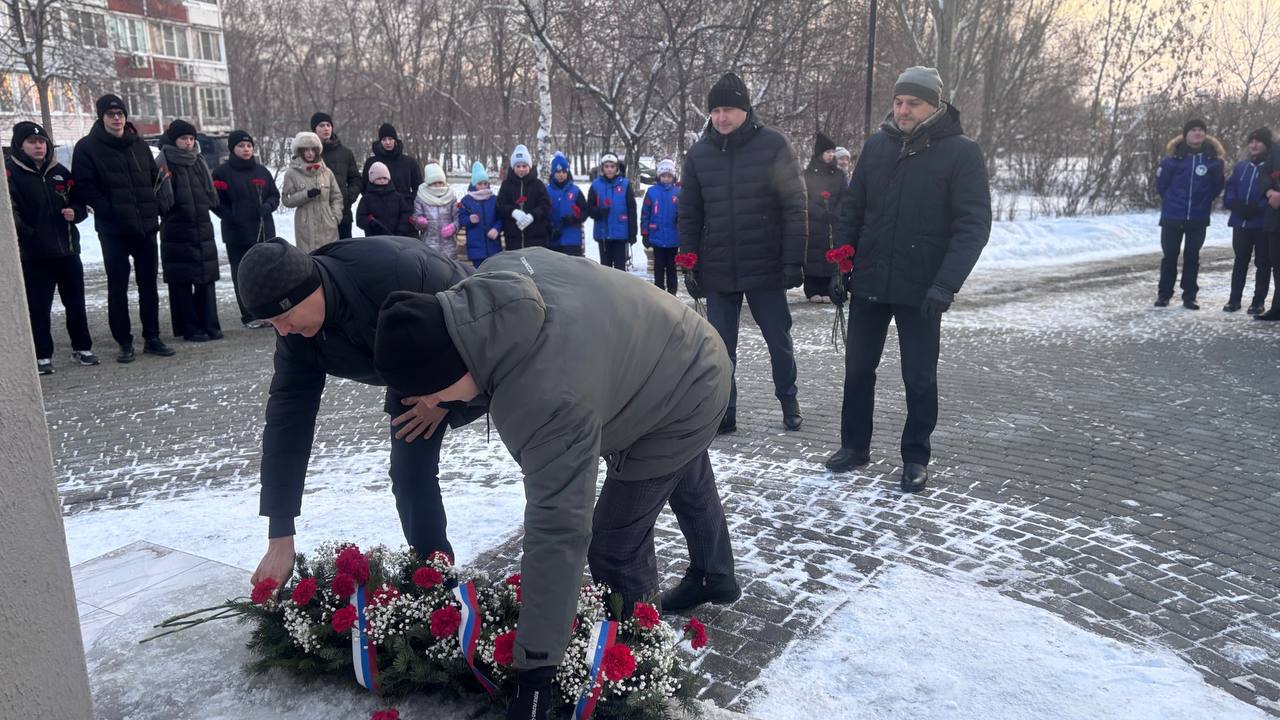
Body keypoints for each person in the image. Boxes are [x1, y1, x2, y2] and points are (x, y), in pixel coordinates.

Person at [372, 248, 740, 720]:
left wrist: (535, 673)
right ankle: (715, 574)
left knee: (615, 543)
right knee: (680, 468)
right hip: (670, 346)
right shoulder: (492, 285)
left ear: (450, 371)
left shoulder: (546, 397)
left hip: (686, 384)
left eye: (431, 395)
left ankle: (641, 674)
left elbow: (558, 529)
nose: (432, 406)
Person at [240, 236, 480, 590]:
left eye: (285, 317)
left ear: (309, 289)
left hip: (473, 344)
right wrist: (280, 533)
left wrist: (443, 400)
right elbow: (287, 423)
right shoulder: (296, 338)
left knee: (529, 442)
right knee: (409, 472)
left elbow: (479, 324)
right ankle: (435, 579)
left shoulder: (395, 271)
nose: (283, 331)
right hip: (405, 366)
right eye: (271, 323)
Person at [824, 66, 991, 492]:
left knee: (919, 376)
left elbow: (973, 227)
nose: (903, 110)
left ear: (934, 105)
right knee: (858, 369)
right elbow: (853, 211)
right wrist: (842, 264)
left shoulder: (961, 153)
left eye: (913, 103)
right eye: (898, 102)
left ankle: (916, 456)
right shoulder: (877, 146)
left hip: (923, 288)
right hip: (870, 281)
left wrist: (945, 284)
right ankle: (854, 446)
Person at [678, 72, 807, 434]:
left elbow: (795, 205)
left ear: (746, 110)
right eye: (716, 110)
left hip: (765, 265)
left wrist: (793, 260)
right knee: (720, 349)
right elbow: (689, 214)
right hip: (718, 267)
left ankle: (789, 401)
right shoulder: (699, 154)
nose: (722, 117)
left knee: (778, 340)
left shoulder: (773, 146)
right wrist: (688, 262)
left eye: (729, 110)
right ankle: (725, 411)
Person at [71, 94, 175, 363]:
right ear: (101, 117)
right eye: (111, 114)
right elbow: (84, 186)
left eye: (120, 113)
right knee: (117, 287)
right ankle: (124, 341)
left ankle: (152, 337)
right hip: (114, 230)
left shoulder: (137, 144)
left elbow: (153, 178)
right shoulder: (87, 147)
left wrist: (155, 205)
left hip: (145, 228)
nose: (116, 118)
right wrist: (108, 209)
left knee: (148, 286)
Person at [7, 121, 95, 374]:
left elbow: (79, 202)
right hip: (35, 255)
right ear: (20, 145)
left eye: (42, 142)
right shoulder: (10, 174)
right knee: (39, 307)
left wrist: (75, 212)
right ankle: (42, 355)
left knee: (76, 303)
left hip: (67, 250)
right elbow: (11, 213)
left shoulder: (60, 172)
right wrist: (29, 235)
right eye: (32, 142)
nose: (38, 146)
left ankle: (82, 347)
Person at [156, 119, 222, 342]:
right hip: (176, 231)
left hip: (202, 228)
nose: (188, 142)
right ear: (174, 140)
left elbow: (211, 196)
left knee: (206, 278)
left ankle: (210, 324)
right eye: (183, 138)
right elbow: (159, 199)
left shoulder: (198, 161)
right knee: (182, 281)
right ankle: (189, 327)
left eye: (191, 138)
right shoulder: (163, 162)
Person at [1154, 119, 1225, 310]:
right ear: (1186, 134)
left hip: (1198, 217)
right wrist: (1172, 201)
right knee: (1170, 256)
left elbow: (1217, 187)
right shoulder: (1172, 159)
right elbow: (1161, 186)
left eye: (1201, 130)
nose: (1197, 133)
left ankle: (1189, 296)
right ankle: (1164, 294)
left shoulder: (1213, 161)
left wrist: (1203, 201)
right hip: (1172, 216)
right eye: (1193, 130)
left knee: (1192, 257)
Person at [212, 129, 279, 329]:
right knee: (242, 274)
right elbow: (215, 202)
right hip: (237, 233)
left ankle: (269, 312)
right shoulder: (222, 172)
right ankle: (249, 314)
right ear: (232, 149)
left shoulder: (262, 171)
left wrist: (268, 206)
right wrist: (232, 216)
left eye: (249, 145)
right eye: (241, 146)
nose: (246, 149)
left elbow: (274, 195)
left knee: (265, 273)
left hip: (263, 230)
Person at [1223, 128, 1273, 314]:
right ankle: (1234, 299)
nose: (1254, 145)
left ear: (1266, 145)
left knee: (1263, 262)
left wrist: (1258, 207)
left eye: (1258, 141)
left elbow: (1273, 191)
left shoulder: (1271, 167)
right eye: (1251, 141)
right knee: (1240, 261)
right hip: (1240, 222)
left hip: (1261, 223)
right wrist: (1234, 204)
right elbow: (1230, 188)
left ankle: (1258, 301)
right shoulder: (1241, 167)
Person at [802, 132, 847, 302]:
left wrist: (836, 212)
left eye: (832, 152)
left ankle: (828, 288)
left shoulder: (839, 174)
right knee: (813, 254)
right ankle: (812, 288)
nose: (831, 155)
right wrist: (820, 213)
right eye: (827, 152)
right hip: (814, 221)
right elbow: (804, 197)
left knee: (831, 253)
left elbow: (845, 196)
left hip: (833, 221)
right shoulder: (808, 174)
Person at [281, 131, 343, 252]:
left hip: (328, 224)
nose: (310, 153)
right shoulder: (291, 173)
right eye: (306, 150)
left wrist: (335, 217)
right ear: (300, 151)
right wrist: (306, 195)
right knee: (309, 258)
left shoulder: (327, 172)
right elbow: (286, 200)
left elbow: (336, 196)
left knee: (329, 256)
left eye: (313, 149)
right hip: (305, 225)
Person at [311, 112, 362, 239]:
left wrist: (348, 197)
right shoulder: (309, 154)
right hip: (317, 214)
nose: (326, 128)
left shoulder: (345, 153)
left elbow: (356, 179)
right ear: (314, 129)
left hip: (343, 213)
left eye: (328, 125)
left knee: (345, 249)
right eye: (321, 125)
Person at [588, 152, 638, 270]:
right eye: (606, 166)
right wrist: (599, 212)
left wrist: (632, 232)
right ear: (602, 168)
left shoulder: (625, 185)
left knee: (620, 269)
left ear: (617, 168)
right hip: (603, 234)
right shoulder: (595, 185)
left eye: (612, 166)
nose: (609, 169)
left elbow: (631, 210)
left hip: (621, 234)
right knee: (606, 269)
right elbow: (589, 208)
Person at [496, 144, 551, 249]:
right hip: (513, 238)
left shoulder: (538, 184)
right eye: (518, 166)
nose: (521, 169)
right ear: (513, 167)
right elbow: (500, 204)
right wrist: (513, 212)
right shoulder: (506, 185)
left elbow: (545, 204)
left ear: (529, 167)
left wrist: (533, 215)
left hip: (536, 238)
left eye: (524, 166)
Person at [641, 158, 680, 293]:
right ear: (659, 176)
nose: (666, 179)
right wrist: (645, 233)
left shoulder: (678, 192)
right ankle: (659, 291)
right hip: (657, 236)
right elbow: (645, 214)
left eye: (669, 176)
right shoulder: (652, 192)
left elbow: (684, 212)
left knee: (671, 267)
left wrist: (680, 219)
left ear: (673, 176)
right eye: (663, 176)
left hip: (673, 237)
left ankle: (672, 292)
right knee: (658, 267)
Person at [361, 123, 422, 205]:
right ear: (380, 142)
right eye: (384, 139)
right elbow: (364, 187)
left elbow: (418, 187)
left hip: (405, 208)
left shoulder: (409, 162)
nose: (387, 142)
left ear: (395, 140)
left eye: (390, 139)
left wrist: (409, 203)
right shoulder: (371, 163)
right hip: (378, 208)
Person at [458, 161, 503, 268]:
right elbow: (461, 219)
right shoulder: (467, 201)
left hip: (494, 247)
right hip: (476, 249)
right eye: (480, 184)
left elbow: (501, 218)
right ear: (474, 184)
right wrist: (469, 219)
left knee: (494, 273)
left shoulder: (494, 199)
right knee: (479, 274)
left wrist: (496, 229)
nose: (483, 186)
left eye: (485, 183)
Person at [411, 162, 459, 258]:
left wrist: (453, 227)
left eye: (440, 182)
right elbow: (416, 218)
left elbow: (458, 218)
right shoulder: (421, 197)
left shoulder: (451, 197)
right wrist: (419, 222)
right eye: (434, 183)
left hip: (449, 246)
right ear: (428, 183)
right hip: (429, 244)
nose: (438, 186)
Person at [356, 161, 414, 238]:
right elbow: (360, 219)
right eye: (379, 178)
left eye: (384, 178)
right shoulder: (366, 199)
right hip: (374, 239)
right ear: (372, 179)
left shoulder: (397, 197)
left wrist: (401, 230)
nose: (382, 180)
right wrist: (371, 223)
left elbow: (406, 214)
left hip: (397, 237)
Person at [545, 152, 586, 256]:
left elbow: (585, 211)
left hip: (572, 240)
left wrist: (574, 218)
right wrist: (549, 227)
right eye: (558, 172)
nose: (561, 175)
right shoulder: (546, 191)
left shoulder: (575, 191)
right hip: (553, 240)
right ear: (553, 173)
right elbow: (542, 213)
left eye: (564, 172)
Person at [1262, 133, 1280, 321]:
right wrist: (1269, 192)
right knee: (1277, 263)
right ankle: (1278, 307)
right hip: (1276, 216)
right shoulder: (1277, 149)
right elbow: (1264, 173)